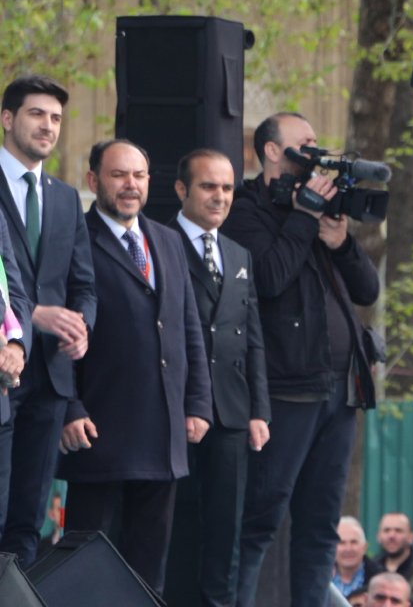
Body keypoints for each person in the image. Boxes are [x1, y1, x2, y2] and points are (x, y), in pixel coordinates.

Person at [224, 112, 379, 607]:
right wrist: (302, 219)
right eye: (305, 143)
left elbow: (367, 289)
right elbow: (267, 279)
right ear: (272, 151)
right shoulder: (246, 210)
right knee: (261, 517)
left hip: (341, 389)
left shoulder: (314, 216)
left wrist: (341, 242)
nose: (316, 152)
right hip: (286, 388)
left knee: (321, 525)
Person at [57, 138, 212, 591]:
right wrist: (69, 406)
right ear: (93, 181)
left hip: (162, 433)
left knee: (148, 570)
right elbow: (60, 334)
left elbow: (189, 327)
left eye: (139, 175)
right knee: (86, 565)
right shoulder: (73, 239)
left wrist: (198, 402)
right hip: (97, 432)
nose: (130, 185)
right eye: (118, 175)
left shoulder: (166, 239)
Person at [165, 148, 270, 607]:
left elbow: (253, 339)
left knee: (226, 532)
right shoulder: (159, 243)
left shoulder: (237, 252)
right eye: (209, 186)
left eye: (228, 188)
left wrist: (259, 411)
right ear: (182, 189)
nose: (220, 197)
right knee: (176, 527)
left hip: (231, 412)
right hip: (175, 409)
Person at [0, 75, 67, 567]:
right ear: (7, 119)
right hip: (6, 372)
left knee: (28, 519)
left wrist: (79, 321)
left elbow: (77, 281)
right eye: (36, 114)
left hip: (46, 373)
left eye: (56, 118)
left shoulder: (63, 198)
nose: (48, 126)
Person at [333, 516, 385, 598]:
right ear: (332, 548)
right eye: (342, 543)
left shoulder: (382, 580)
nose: (348, 549)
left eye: (354, 542)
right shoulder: (320, 578)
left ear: (364, 547)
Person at [374, 512, 413, 581]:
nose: (391, 536)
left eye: (398, 531)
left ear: (411, 537)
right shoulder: (370, 570)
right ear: (378, 537)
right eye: (386, 530)